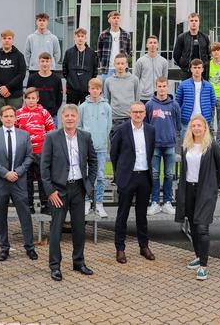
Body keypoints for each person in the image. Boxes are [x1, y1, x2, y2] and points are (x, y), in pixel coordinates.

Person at [41, 104, 98, 282]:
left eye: (73, 115)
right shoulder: (52, 137)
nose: (70, 118)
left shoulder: (85, 137)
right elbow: (44, 167)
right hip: (59, 190)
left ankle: (78, 262)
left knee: (79, 228)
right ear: (62, 118)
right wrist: (50, 192)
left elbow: (93, 162)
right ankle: (55, 266)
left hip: (79, 189)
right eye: (67, 115)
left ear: (78, 118)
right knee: (56, 229)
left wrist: (88, 184)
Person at [174, 115, 220, 280]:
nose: (196, 128)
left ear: (205, 128)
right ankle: (198, 256)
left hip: (205, 191)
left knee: (202, 228)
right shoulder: (186, 146)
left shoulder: (212, 146)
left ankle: (204, 266)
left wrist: (213, 186)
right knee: (194, 226)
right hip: (189, 189)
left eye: (199, 125)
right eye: (193, 125)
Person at [0, 105, 37, 262]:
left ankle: (29, 247)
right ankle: (4, 248)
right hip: (1, 182)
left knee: (25, 215)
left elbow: (30, 157)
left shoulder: (24, 135)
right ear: (1, 118)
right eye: (6, 116)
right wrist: (5, 173)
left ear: (16, 118)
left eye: (11, 116)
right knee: (1, 216)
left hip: (19, 181)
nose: (9, 118)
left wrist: (18, 172)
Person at [111, 102, 156, 264]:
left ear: (145, 114)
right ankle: (120, 248)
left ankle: (144, 246)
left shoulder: (150, 130)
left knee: (142, 214)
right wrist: (119, 173)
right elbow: (114, 153)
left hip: (144, 177)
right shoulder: (122, 130)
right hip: (127, 177)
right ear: (130, 113)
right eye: (135, 112)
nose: (138, 114)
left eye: (141, 112)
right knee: (122, 214)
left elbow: (150, 152)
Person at [16, 88, 55, 214]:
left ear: (37, 99)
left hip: (41, 151)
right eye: (28, 98)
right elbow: (15, 132)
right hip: (25, 153)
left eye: (33, 98)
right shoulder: (19, 113)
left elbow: (51, 131)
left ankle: (45, 205)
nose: (31, 100)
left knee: (43, 179)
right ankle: (29, 205)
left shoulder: (44, 113)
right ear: (24, 99)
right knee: (27, 180)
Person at [145, 76, 181, 215]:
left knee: (169, 174)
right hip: (155, 146)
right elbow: (147, 125)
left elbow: (178, 125)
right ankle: (154, 202)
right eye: (159, 86)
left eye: (164, 86)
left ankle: (167, 202)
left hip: (170, 145)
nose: (161, 89)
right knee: (154, 174)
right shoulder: (150, 105)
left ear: (168, 87)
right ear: (156, 87)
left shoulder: (174, 105)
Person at [79, 78, 113, 217]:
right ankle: (87, 202)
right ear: (89, 89)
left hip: (101, 147)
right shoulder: (83, 107)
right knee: (87, 175)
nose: (95, 91)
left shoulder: (106, 107)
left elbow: (109, 126)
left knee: (100, 176)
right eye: (92, 88)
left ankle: (99, 203)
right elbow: (79, 126)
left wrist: (102, 140)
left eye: (97, 89)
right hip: (87, 148)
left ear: (100, 90)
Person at [0, 29, 27, 128]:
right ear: (1, 40)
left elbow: (21, 74)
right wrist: (1, 88)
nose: (7, 41)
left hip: (15, 95)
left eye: (9, 38)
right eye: (4, 38)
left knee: (14, 123)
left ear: (12, 40)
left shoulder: (19, 56)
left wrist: (8, 87)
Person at [175, 59, 215, 137]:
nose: (197, 70)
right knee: (186, 146)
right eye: (195, 67)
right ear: (191, 69)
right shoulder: (183, 85)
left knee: (203, 147)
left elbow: (212, 105)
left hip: (204, 120)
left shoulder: (209, 86)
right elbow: (177, 103)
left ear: (202, 69)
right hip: (186, 121)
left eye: (199, 67)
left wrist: (209, 117)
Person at [103, 53, 139, 139]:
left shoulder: (134, 80)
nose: (120, 66)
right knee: (115, 148)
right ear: (114, 64)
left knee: (130, 149)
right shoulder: (108, 81)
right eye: (118, 63)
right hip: (114, 120)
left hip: (130, 119)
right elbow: (106, 101)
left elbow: (137, 99)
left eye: (122, 63)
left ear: (126, 65)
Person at [63, 28, 98, 106]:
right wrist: (70, 80)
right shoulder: (69, 52)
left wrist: (88, 83)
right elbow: (65, 69)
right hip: (72, 89)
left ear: (85, 38)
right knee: (71, 112)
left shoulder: (92, 53)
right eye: (78, 36)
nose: (80, 38)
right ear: (75, 38)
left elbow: (94, 71)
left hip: (86, 90)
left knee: (86, 113)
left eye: (82, 36)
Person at [27, 52, 63, 127]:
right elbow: (28, 96)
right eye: (42, 61)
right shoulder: (32, 78)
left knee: (52, 138)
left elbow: (59, 98)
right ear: (39, 62)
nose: (45, 64)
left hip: (52, 116)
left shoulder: (56, 79)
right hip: (35, 115)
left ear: (51, 62)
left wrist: (53, 111)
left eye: (47, 61)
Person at [173, 12, 210, 80]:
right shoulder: (181, 37)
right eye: (191, 20)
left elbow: (209, 54)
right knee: (187, 90)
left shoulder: (205, 37)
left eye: (196, 21)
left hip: (202, 72)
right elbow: (176, 55)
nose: (194, 22)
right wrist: (183, 65)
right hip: (186, 72)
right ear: (189, 22)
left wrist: (205, 65)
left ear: (199, 22)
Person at [97, 11, 132, 84]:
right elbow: (99, 52)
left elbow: (129, 51)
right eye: (114, 18)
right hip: (107, 69)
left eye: (118, 18)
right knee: (106, 93)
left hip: (122, 69)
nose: (116, 20)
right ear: (109, 20)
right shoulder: (103, 34)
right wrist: (103, 63)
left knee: (122, 91)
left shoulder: (126, 35)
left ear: (120, 20)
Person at [133, 35, 168, 103]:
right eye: (150, 43)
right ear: (147, 45)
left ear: (157, 45)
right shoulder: (140, 61)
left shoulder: (164, 61)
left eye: (155, 43)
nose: (152, 45)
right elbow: (136, 79)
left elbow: (164, 79)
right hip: (143, 97)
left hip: (158, 96)